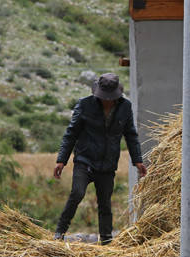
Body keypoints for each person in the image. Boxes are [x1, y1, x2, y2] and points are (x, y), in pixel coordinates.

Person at [54, 73, 147, 243]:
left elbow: (131, 135)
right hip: (85, 160)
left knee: (105, 203)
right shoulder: (85, 105)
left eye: (110, 97)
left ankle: (106, 240)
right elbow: (71, 134)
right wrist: (62, 160)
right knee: (77, 193)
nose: (107, 100)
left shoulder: (125, 107)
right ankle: (59, 232)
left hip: (107, 163)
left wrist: (138, 160)